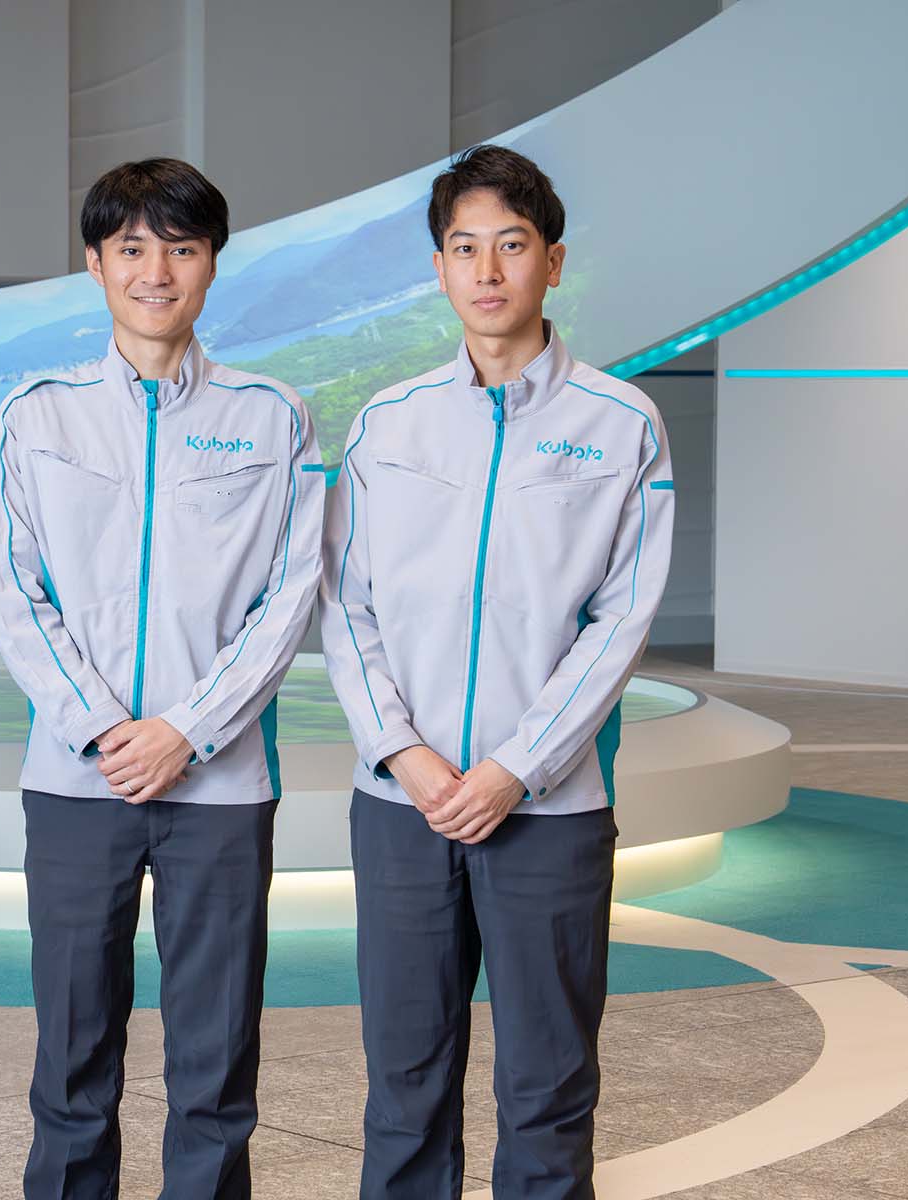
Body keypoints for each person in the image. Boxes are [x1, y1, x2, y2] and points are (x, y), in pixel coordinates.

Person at [320, 144, 675, 1199]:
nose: (487, 270)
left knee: (550, 1086)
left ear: (552, 264)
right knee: (406, 1084)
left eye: (511, 246)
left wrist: (519, 766)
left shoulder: (622, 427)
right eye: (464, 248)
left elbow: (622, 620)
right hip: (403, 807)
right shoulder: (388, 424)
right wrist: (408, 756)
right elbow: (345, 603)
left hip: (550, 810)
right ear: (439, 271)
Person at [0, 157, 324, 1199]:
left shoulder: (276, 417)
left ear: (212, 263)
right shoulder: (35, 417)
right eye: (132, 248)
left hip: (220, 788)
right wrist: (97, 726)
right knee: (72, 1059)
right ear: (96, 264)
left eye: (181, 247)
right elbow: (13, 587)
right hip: (75, 782)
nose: (157, 271)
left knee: (217, 1065)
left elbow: (293, 589)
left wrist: (189, 728)